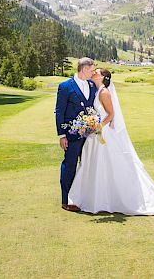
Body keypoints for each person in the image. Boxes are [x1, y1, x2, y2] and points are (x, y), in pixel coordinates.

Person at [68, 68, 154, 215]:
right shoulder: (98, 90)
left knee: (106, 162)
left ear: (103, 77)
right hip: (97, 132)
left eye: (97, 72)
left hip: (103, 133)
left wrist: (98, 126)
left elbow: (111, 114)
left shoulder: (104, 92)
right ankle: (93, 198)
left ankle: (107, 199)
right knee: (95, 163)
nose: (94, 72)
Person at [54, 57, 96, 211]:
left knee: (86, 166)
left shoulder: (92, 85)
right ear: (84, 69)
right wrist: (62, 135)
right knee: (70, 165)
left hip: (90, 136)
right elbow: (59, 112)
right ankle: (67, 200)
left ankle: (83, 197)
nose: (93, 73)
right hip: (72, 135)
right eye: (91, 70)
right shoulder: (65, 86)